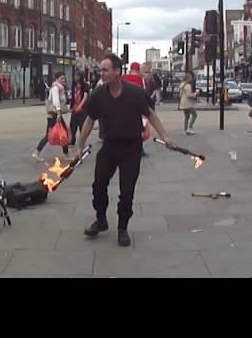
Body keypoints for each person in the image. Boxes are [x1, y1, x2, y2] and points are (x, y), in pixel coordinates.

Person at [75, 54, 175, 247]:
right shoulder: (98, 94)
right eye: (100, 70)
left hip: (131, 147)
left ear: (117, 71)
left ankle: (122, 228)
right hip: (109, 145)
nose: (101, 74)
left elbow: (150, 114)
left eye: (105, 70)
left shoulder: (135, 93)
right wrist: (79, 146)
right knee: (98, 186)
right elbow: (89, 120)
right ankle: (101, 220)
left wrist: (165, 137)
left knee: (126, 191)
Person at [32, 72, 70, 162]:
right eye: (61, 78)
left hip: (54, 114)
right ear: (56, 79)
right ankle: (37, 152)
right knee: (52, 135)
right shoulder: (56, 88)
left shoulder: (59, 88)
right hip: (54, 114)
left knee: (60, 133)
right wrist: (59, 114)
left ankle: (37, 152)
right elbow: (56, 101)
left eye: (64, 78)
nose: (63, 80)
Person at [69, 71, 89, 146]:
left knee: (82, 126)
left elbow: (85, 96)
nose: (76, 78)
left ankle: (81, 141)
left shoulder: (85, 85)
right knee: (72, 126)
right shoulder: (73, 85)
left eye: (77, 76)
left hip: (82, 109)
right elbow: (73, 95)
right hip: (74, 108)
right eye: (75, 76)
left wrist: (80, 105)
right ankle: (72, 140)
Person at [179, 71, 198, 135]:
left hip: (183, 103)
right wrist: (195, 94)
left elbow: (180, 95)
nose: (191, 79)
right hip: (188, 104)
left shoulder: (182, 85)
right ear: (188, 79)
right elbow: (189, 95)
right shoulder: (188, 86)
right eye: (190, 78)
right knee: (195, 115)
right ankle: (190, 128)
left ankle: (186, 129)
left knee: (187, 116)